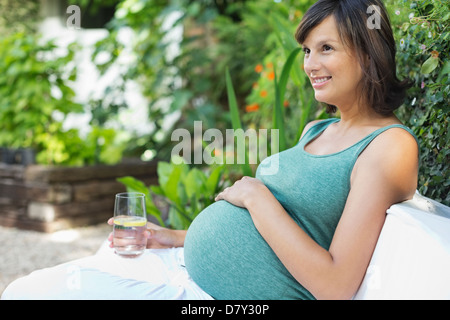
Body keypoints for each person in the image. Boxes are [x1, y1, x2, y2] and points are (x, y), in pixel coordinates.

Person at [2, 0, 418, 300]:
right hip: (185, 269)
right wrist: (174, 238)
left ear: (367, 54)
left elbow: (335, 286)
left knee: (29, 294)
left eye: (326, 48)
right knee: (28, 289)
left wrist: (257, 197)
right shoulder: (317, 129)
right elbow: (287, 227)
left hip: (217, 296)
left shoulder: (389, 146)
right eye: (307, 50)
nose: (310, 63)